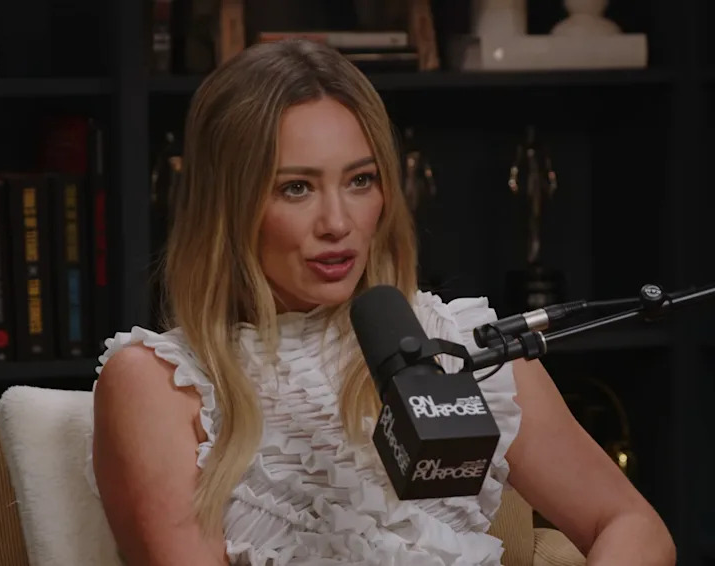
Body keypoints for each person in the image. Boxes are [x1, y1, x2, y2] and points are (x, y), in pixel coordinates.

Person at [85, 38, 676, 566]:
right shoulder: (159, 384)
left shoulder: (468, 344)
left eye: (360, 180)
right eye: (297, 187)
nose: (338, 223)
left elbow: (632, 526)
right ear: (227, 206)